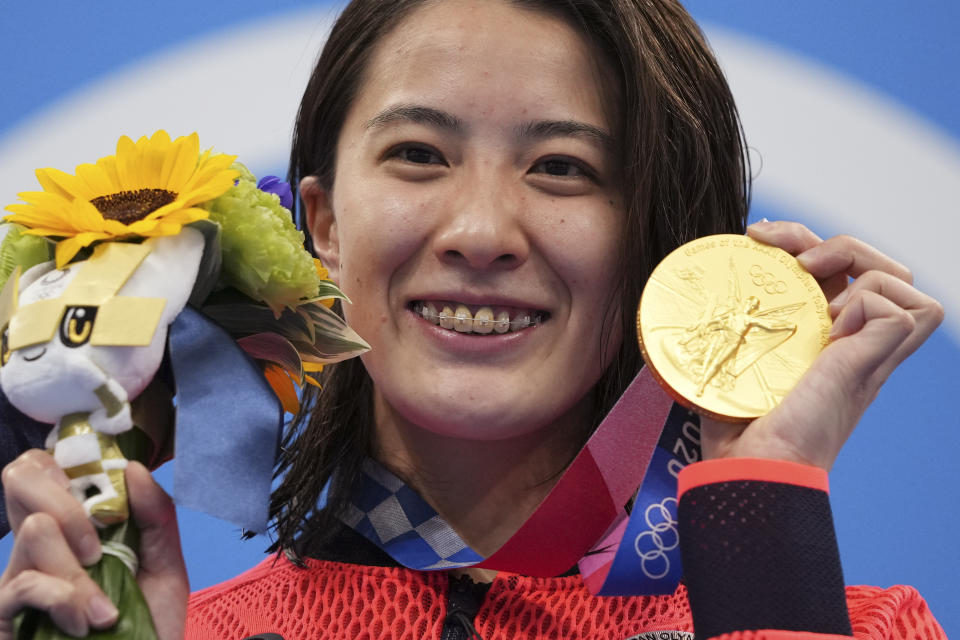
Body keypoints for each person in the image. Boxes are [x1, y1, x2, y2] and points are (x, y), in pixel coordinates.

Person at [0, 0, 946, 638]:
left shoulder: (849, 625)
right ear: (322, 226)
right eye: (419, 153)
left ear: (659, 248)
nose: (483, 231)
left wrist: (757, 506)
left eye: (563, 167)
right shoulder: (180, 632)